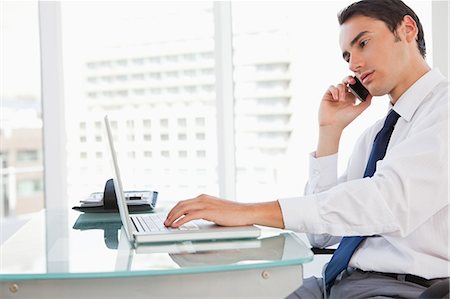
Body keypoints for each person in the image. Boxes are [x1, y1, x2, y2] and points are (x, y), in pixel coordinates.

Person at [164, 0, 449, 298]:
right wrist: (330, 131)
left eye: (363, 43)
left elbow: (387, 202)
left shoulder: (443, 111)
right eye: (348, 56)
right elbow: (321, 234)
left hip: (399, 289)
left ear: (407, 29)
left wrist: (247, 211)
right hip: (336, 282)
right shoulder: (377, 135)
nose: (354, 64)